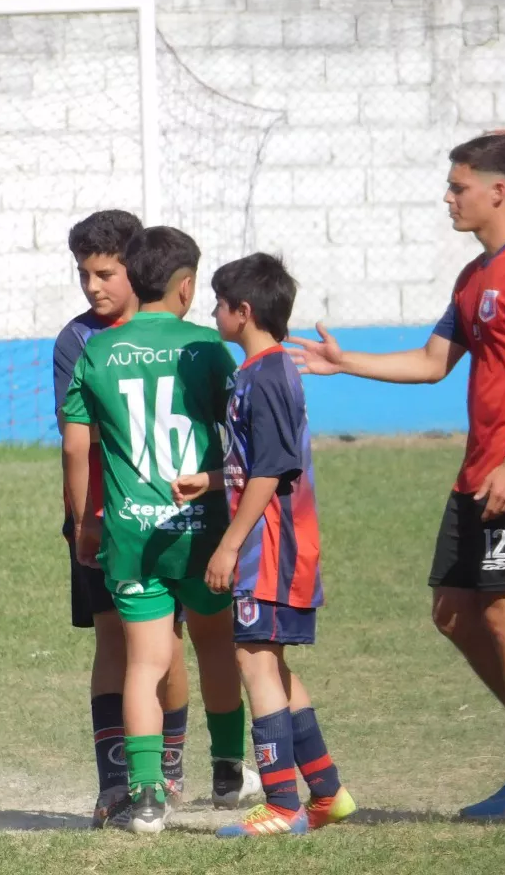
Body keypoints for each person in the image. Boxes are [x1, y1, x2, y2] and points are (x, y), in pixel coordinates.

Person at [290, 134, 505, 816]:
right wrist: (344, 361)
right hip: (473, 477)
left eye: (458, 186)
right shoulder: (474, 277)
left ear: (497, 190)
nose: (449, 198)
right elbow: (431, 360)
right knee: (453, 611)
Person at [54, 211, 248, 821]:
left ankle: (143, 794)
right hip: (201, 526)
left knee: (144, 658)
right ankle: (226, 774)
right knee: (216, 646)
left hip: (129, 529)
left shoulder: (96, 349)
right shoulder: (206, 347)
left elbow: (74, 444)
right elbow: (237, 430)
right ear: (187, 287)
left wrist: (86, 522)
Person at [173, 253, 355, 838]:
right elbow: (257, 463)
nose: (213, 312)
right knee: (272, 661)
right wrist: (213, 479)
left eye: (219, 303)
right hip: (270, 540)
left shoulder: (268, 374)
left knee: (252, 660)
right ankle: (326, 792)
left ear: (242, 311)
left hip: (270, 547)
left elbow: (273, 472)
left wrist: (228, 545)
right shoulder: (256, 372)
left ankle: (281, 805)